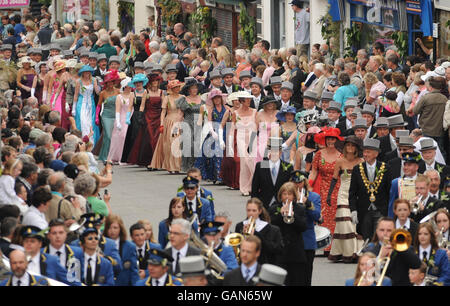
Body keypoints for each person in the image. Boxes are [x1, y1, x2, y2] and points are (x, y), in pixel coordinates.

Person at [326, 136, 364, 263]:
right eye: (348, 145)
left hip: (356, 194)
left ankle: (355, 252)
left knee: (354, 222)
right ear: (344, 147)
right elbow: (334, 179)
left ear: (356, 148)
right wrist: (329, 194)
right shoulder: (340, 161)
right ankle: (347, 252)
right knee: (345, 222)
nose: (350, 148)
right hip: (342, 193)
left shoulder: (361, 161)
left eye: (353, 146)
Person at [349, 138, 392, 241]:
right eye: (364, 151)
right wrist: (353, 210)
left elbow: (389, 191)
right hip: (364, 210)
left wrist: (388, 211)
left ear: (376, 154)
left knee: (381, 238)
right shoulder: (357, 169)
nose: (365, 154)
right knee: (366, 239)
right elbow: (352, 192)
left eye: (368, 152)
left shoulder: (385, 168)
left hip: (381, 209)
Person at [309, 127, 343, 254]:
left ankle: (335, 246)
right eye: (328, 139)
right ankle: (325, 244)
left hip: (337, 188)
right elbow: (313, 172)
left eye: (333, 139)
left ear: (336, 140)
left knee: (335, 216)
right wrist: (309, 186)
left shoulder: (341, 155)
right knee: (322, 216)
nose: (330, 141)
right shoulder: (318, 154)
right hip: (322, 188)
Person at [362, 217, 422, 286]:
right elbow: (366, 274)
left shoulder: (406, 249)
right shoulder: (369, 251)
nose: (385, 233)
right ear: (377, 231)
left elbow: (417, 264)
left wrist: (399, 248)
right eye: (382, 230)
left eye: (389, 230)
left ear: (395, 231)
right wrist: (380, 257)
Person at [268, 182, 307, 285]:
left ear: (294, 196)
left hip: (296, 253)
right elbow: (270, 226)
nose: (287, 197)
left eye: (289, 194)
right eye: (284, 194)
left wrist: (294, 217)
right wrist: (281, 215)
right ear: (280, 196)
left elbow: (303, 227)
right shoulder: (273, 208)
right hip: (280, 253)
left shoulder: (300, 209)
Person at [235, 198, 283, 265]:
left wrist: (256, 234)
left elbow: (275, 249)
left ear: (259, 211)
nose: (251, 213)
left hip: (263, 263)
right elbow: (237, 247)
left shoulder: (271, 228)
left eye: (254, 211)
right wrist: (243, 236)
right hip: (245, 263)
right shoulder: (240, 226)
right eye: (249, 210)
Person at [149, 80, 183, 173]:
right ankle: (170, 166)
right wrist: (161, 124)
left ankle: (177, 166)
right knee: (170, 144)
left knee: (178, 144)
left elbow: (185, 110)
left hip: (180, 121)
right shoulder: (167, 98)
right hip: (169, 122)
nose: (177, 89)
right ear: (171, 89)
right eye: (175, 87)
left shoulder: (183, 97)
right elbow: (163, 112)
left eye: (178, 87)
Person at [195, 89, 228, 184]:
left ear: (221, 98)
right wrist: (213, 132)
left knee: (224, 155)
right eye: (215, 98)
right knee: (213, 154)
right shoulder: (211, 110)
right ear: (212, 100)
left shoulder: (227, 108)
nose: (217, 100)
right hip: (213, 132)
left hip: (224, 131)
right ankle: (216, 176)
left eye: (218, 98)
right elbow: (209, 122)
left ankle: (223, 176)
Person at [128, 74, 161, 167]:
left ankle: (157, 161)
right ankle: (150, 161)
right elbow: (142, 105)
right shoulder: (146, 92)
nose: (155, 83)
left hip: (158, 117)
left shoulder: (162, 92)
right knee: (151, 138)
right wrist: (140, 115)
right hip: (148, 117)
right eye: (153, 81)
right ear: (150, 83)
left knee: (158, 138)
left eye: (157, 81)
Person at [251, 137, 292, 209]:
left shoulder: (288, 167)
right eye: (272, 151)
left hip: (281, 205)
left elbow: (290, 188)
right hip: (263, 205)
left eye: (277, 151)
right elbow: (255, 188)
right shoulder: (261, 166)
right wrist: (254, 204)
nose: (274, 153)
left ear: (280, 152)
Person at [42, 219, 83, 285]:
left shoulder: (77, 252)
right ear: (48, 235)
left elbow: (82, 277)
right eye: (54, 233)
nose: (58, 236)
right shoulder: (41, 254)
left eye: (61, 233)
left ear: (66, 234)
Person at [233, 91, 257, 196]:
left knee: (253, 161)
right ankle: (244, 188)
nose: (248, 101)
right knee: (244, 162)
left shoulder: (255, 112)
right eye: (246, 100)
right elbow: (232, 128)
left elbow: (258, 127)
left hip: (253, 138)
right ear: (241, 101)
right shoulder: (235, 113)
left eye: (249, 99)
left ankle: (254, 186)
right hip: (241, 138)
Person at [104, 214, 139, 286]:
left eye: (115, 228)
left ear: (121, 229)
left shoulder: (130, 247)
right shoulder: (101, 245)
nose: (112, 231)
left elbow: (134, 271)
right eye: (109, 228)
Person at [177, 78, 203, 172]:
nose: (195, 90)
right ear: (189, 90)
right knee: (188, 145)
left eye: (196, 88)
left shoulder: (202, 99)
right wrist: (178, 126)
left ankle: (196, 166)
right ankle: (187, 166)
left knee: (198, 145)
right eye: (192, 88)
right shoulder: (184, 99)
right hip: (187, 123)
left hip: (199, 123)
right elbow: (180, 114)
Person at [73, 65, 101, 145]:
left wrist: (99, 86)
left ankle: (91, 143)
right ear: (82, 73)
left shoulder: (93, 80)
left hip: (91, 104)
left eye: (88, 72)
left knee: (90, 123)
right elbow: (76, 95)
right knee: (83, 121)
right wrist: (74, 108)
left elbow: (97, 92)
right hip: (81, 104)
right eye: (85, 72)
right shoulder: (79, 81)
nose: (87, 74)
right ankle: (82, 142)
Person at [107, 77, 133, 164]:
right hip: (122, 117)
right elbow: (117, 110)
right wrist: (118, 122)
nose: (129, 87)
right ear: (124, 86)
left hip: (131, 117)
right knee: (120, 136)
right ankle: (117, 156)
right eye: (128, 86)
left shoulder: (133, 95)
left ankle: (126, 157)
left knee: (128, 137)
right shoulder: (119, 96)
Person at [97, 70, 121, 162]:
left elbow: (122, 103)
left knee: (114, 136)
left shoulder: (118, 92)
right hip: (106, 115)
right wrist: (96, 117)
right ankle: (105, 156)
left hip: (116, 115)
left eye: (111, 82)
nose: (110, 84)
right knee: (108, 135)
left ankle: (110, 155)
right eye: (108, 82)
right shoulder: (103, 93)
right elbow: (99, 105)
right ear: (106, 84)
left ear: (114, 82)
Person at [220, 92, 241, 190]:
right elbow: (222, 125)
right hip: (231, 136)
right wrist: (221, 139)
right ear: (232, 101)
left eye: (238, 100)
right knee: (232, 160)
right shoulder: (228, 111)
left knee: (241, 160)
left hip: (242, 136)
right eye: (235, 100)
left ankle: (240, 182)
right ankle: (232, 182)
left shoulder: (244, 111)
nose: (237, 102)